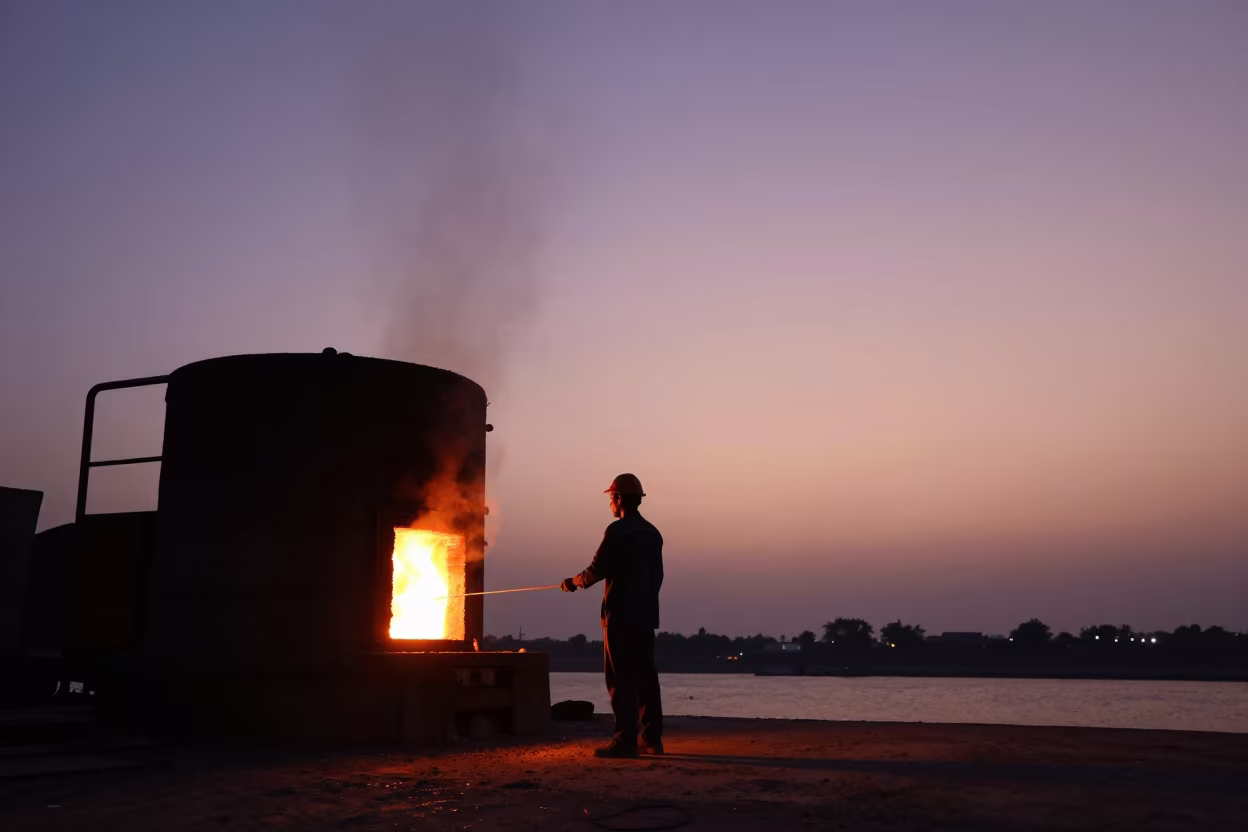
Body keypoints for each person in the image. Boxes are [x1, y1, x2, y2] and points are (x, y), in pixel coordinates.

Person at [561, 473, 664, 758]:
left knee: (620, 679)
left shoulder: (618, 531)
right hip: (645, 616)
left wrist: (573, 582)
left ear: (618, 499)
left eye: (610, 498)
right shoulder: (652, 533)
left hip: (619, 616)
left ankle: (624, 741)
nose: (609, 503)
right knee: (645, 676)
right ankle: (651, 739)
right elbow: (658, 576)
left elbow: (597, 570)